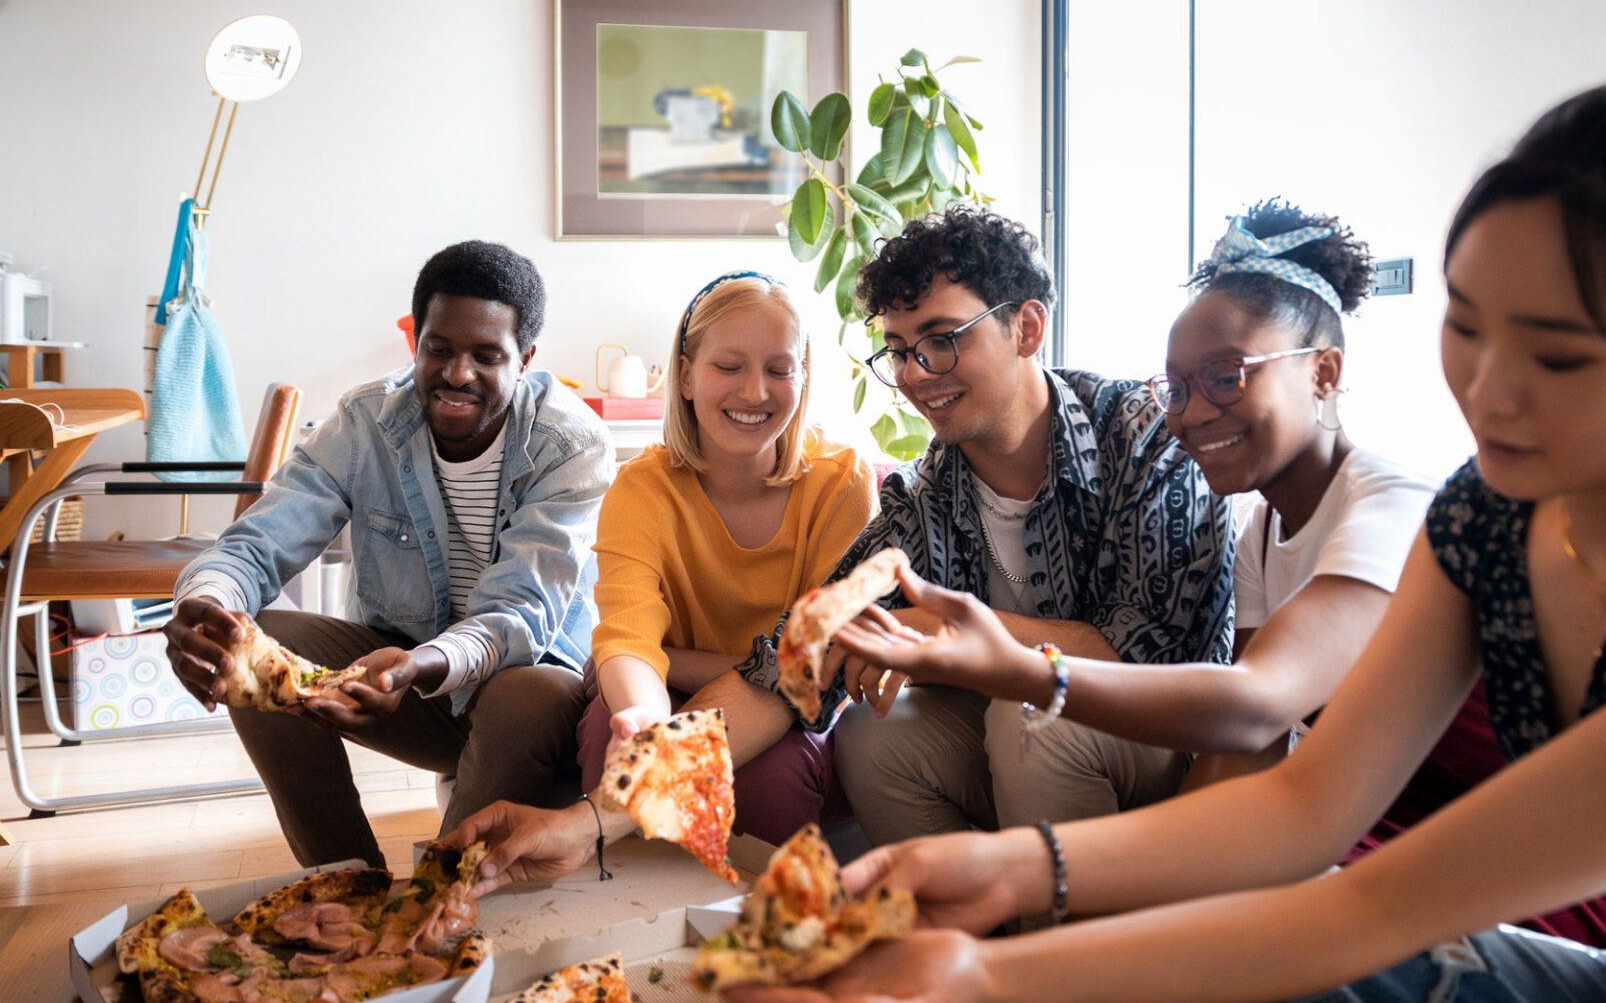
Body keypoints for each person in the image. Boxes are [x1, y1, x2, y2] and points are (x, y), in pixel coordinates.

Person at [727, 60, 1606, 1003]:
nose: (1489, 391)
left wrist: (980, 968)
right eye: (1466, 325)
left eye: (1557, 354)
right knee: (1297, 989)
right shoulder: (1491, 517)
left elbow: (1369, 893)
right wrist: (999, 869)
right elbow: (1306, 808)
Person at [832, 199, 1606, 950]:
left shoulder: (1391, 506)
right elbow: (1254, 749)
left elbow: (1254, 705)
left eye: (1228, 375)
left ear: (1323, 372)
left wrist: (1016, 668)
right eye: (1176, 387)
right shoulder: (1265, 527)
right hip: (1351, 804)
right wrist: (1163, 908)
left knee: (1039, 736)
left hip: (1499, 847)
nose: (1192, 413)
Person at [744, 205, 1234, 847]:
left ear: (1026, 327)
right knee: (873, 733)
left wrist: (945, 632)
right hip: (1028, 747)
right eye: (899, 351)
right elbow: (802, 650)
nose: (916, 375)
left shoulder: (1145, 437)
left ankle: (1066, 945)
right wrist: (606, 809)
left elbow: (1152, 651)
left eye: (943, 339)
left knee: (1026, 712)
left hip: (1177, 749)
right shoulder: (927, 493)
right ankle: (961, 930)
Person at [164, 240, 613, 869]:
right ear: (417, 343)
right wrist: (204, 604)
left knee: (532, 694)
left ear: (526, 358)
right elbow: (259, 541)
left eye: (487, 356)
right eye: (440, 349)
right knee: (248, 640)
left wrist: (417, 667)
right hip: (405, 694)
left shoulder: (571, 444)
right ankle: (347, 884)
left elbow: (520, 615)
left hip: (521, 703)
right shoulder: (366, 423)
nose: (458, 374)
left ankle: (440, 895)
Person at [443, 273, 876, 879]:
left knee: (772, 779)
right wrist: (644, 720)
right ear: (687, 374)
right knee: (607, 739)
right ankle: (626, 915)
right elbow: (627, 638)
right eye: (729, 365)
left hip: (791, 704)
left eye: (780, 369)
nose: (756, 391)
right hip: (665, 688)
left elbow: (806, 669)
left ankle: (756, 926)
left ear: (803, 377)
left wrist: (681, 660)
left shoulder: (844, 484)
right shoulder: (643, 487)